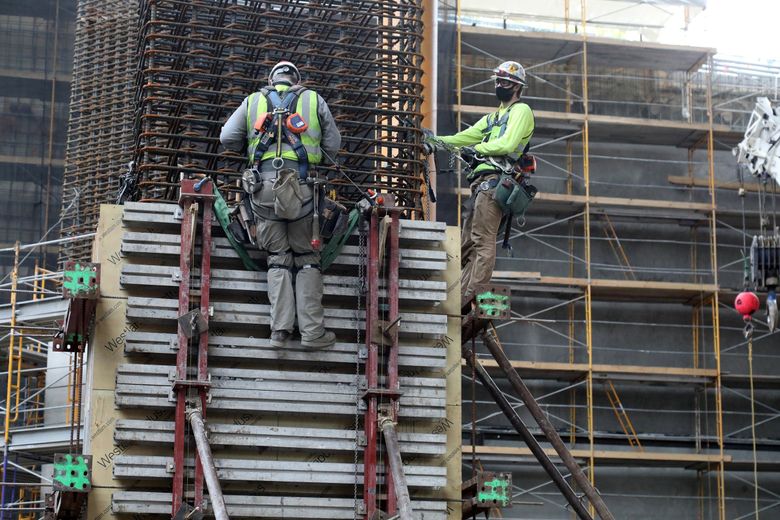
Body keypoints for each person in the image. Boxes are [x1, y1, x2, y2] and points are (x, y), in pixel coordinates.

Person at [220, 60, 342, 348]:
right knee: (307, 260)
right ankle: (312, 334)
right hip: (302, 193)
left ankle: (280, 332)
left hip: (262, 191)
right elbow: (333, 145)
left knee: (278, 258)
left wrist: (250, 147)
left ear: (271, 79)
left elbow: (227, 138)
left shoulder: (253, 101)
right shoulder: (313, 99)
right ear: (296, 81)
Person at [426, 61, 535, 306]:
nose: (499, 85)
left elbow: (507, 145)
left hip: (495, 183)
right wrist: (436, 141)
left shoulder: (521, 111)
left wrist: (476, 149)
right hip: (481, 184)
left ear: (517, 87)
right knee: (467, 243)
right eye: (497, 80)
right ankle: (456, 293)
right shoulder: (494, 117)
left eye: (505, 81)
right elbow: (463, 137)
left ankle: (470, 295)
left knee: (482, 241)